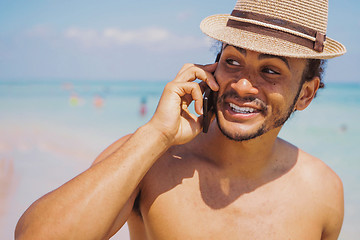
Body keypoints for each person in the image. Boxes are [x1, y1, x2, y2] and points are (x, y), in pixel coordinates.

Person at [15, 0, 346, 239]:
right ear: (211, 68)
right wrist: (158, 133)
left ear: (306, 94)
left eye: (271, 70)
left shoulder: (322, 190)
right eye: (233, 61)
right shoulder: (153, 161)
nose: (243, 84)